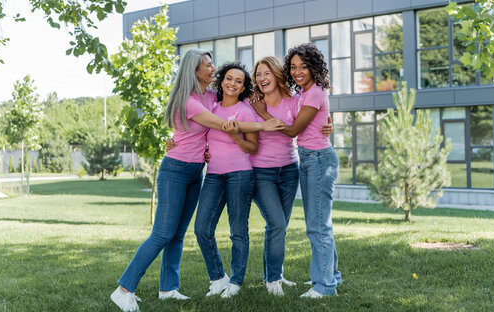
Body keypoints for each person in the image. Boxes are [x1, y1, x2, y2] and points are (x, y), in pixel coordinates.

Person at [110, 50, 282, 312]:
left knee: (178, 235)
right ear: (195, 70)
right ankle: (124, 289)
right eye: (208, 65)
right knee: (162, 233)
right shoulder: (190, 101)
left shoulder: (209, 95)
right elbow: (224, 123)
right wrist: (262, 126)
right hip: (176, 170)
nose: (213, 68)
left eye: (213, 63)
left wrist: (261, 99)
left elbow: (234, 101)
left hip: (196, 170)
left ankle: (168, 289)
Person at [255, 44, 341, 298]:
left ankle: (325, 286)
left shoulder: (313, 94)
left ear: (314, 67)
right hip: (310, 158)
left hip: (317, 159)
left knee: (317, 226)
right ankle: (331, 276)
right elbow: (314, 122)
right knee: (320, 223)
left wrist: (263, 113)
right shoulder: (306, 93)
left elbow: (292, 131)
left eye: (303, 66)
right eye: (293, 67)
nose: (297, 71)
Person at [194, 62, 258, 298]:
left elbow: (252, 147)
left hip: (240, 175)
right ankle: (219, 277)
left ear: (243, 88)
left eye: (238, 81)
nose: (232, 83)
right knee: (201, 228)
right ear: (222, 80)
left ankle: (236, 281)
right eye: (229, 78)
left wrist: (235, 137)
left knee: (238, 231)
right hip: (213, 175)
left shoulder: (244, 111)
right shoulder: (211, 106)